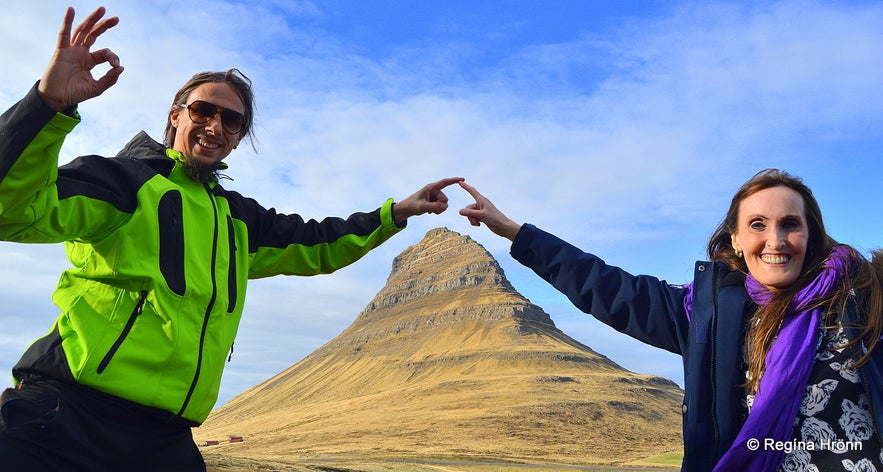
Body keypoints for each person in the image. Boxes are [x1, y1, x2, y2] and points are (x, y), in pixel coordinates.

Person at [0, 7, 463, 471]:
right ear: (176, 116)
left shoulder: (240, 220)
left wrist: (397, 212)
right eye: (203, 110)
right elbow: (11, 211)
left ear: (239, 138)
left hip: (165, 439)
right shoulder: (122, 181)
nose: (215, 126)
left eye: (232, 120)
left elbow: (320, 243)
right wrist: (45, 104)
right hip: (65, 418)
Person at [458, 171, 883, 471]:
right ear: (736, 239)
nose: (775, 240)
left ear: (810, 235)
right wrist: (515, 232)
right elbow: (608, 287)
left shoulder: (861, 297)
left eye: (790, 224)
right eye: (758, 224)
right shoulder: (705, 314)